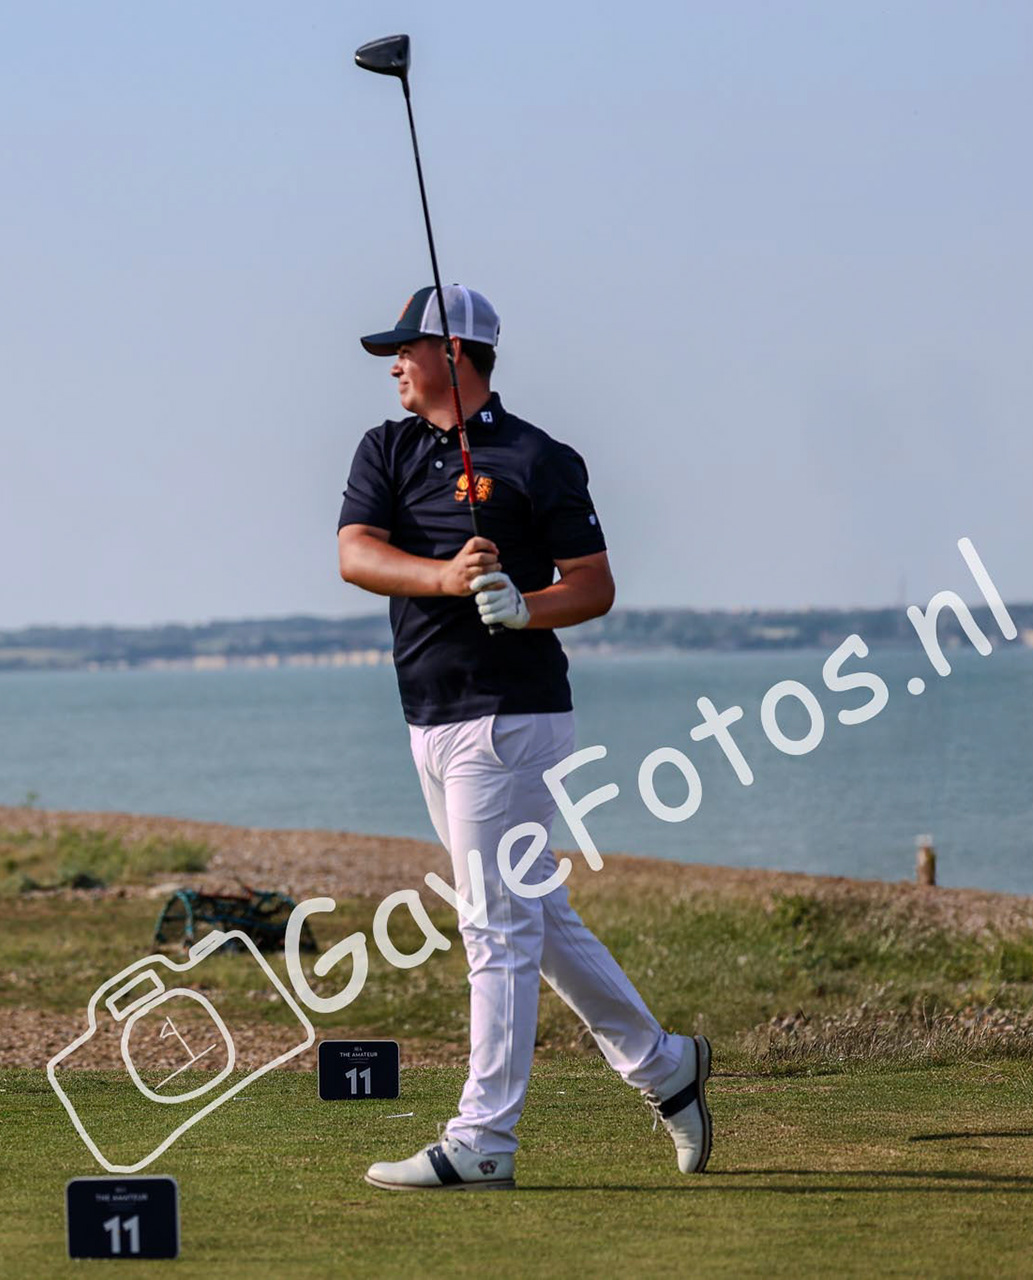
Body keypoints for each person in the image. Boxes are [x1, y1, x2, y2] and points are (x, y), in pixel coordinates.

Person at [337, 284, 712, 1191]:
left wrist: (523, 604)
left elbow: (593, 584)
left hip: (511, 717)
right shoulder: (385, 447)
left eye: (408, 347)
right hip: (428, 717)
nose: (394, 362)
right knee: (534, 913)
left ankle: (484, 1141)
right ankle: (666, 1067)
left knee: (493, 924)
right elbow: (355, 553)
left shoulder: (539, 458)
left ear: (455, 353)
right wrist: (445, 577)